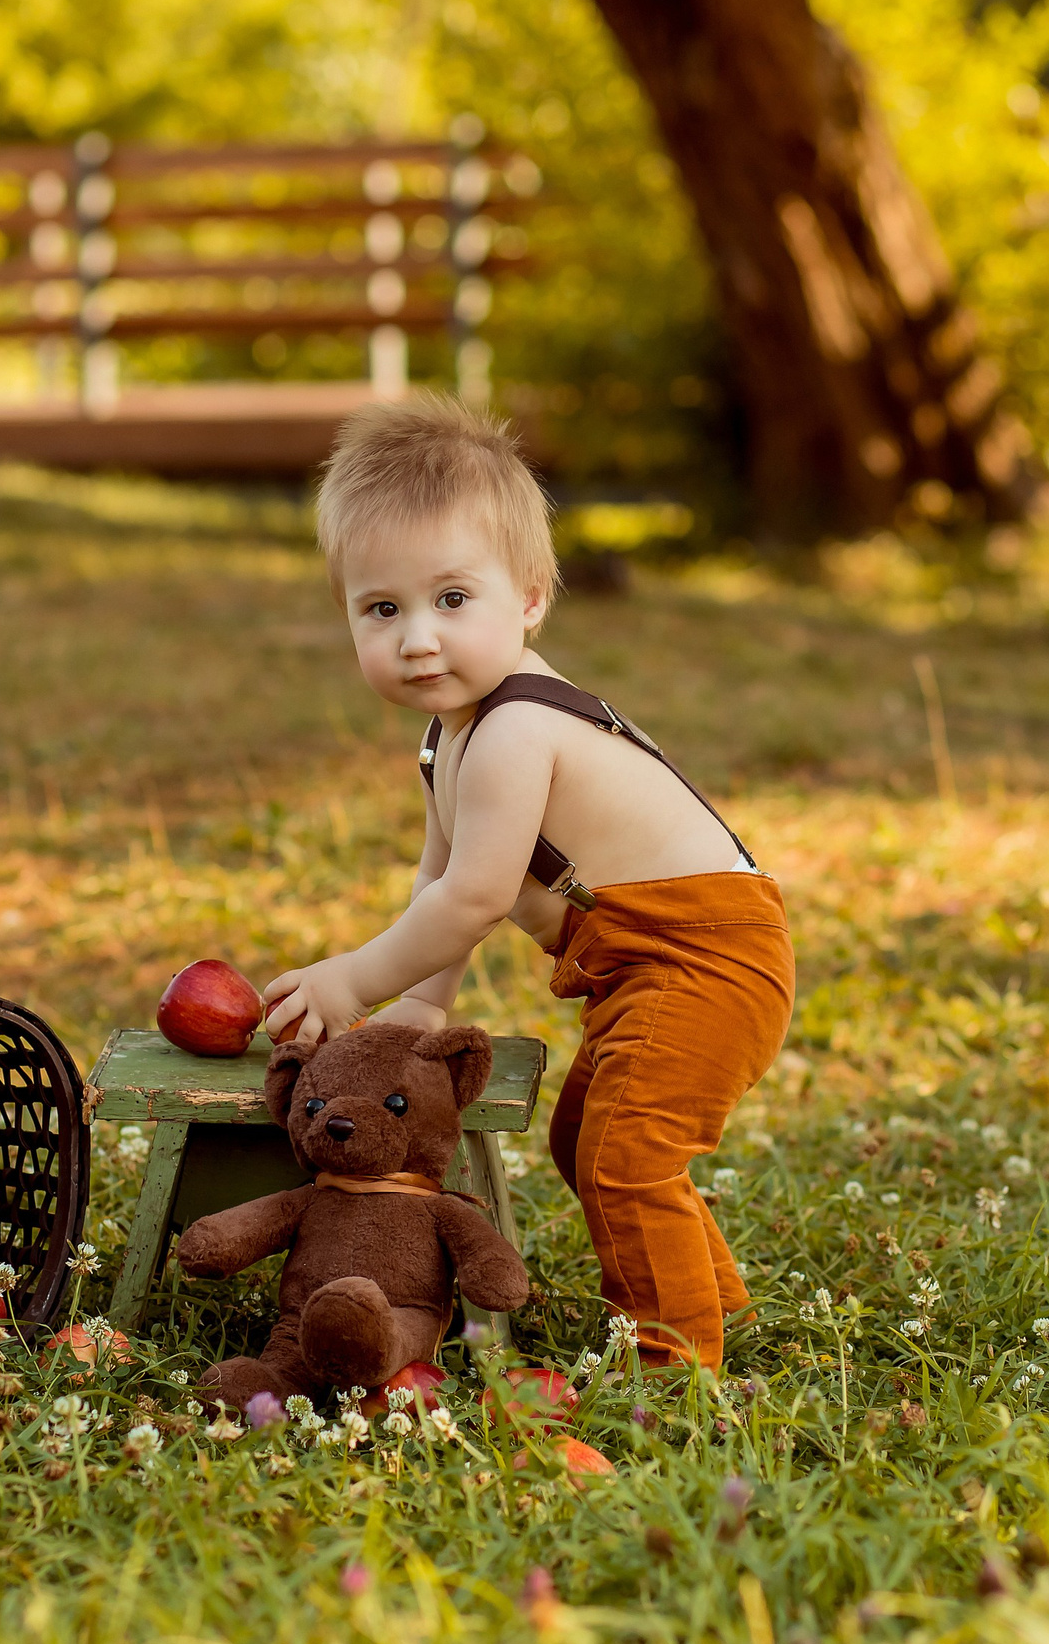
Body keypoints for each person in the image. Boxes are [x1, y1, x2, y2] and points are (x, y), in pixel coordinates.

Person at [262, 392, 794, 1370]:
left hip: (710, 960)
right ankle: (717, 1300)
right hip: (645, 970)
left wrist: (350, 980)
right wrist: (423, 1000)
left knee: (627, 1154)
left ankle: (678, 1362)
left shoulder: (514, 730)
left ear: (531, 600)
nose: (418, 636)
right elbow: (441, 875)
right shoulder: (449, 740)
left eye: (451, 600)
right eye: (383, 609)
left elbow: (472, 897)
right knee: (581, 1137)